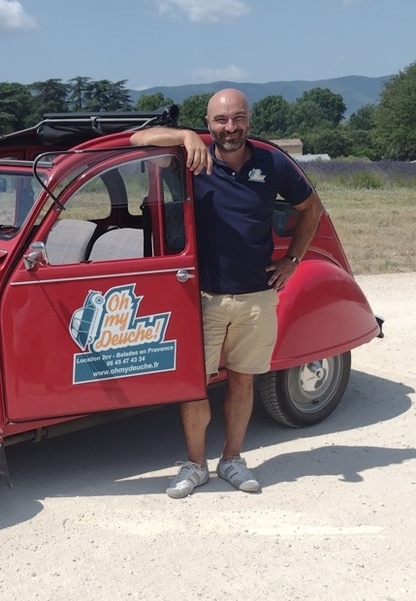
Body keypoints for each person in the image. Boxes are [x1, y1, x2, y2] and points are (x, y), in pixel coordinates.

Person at [130, 88, 325, 498]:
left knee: (242, 380)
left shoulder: (272, 163)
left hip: (256, 294)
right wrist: (184, 136)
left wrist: (292, 260)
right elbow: (136, 140)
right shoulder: (192, 157)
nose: (229, 128)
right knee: (194, 384)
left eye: (237, 118)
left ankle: (232, 460)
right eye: (220, 120)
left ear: (248, 120)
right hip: (200, 296)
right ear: (208, 123)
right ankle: (195, 465)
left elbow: (312, 208)